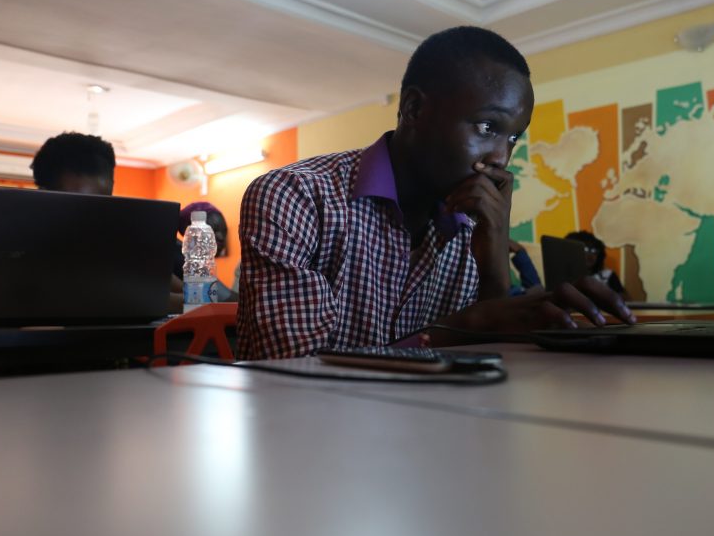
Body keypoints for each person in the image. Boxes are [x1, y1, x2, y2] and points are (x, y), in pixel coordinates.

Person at [238, 26, 634, 360]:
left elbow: (489, 366)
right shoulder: (296, 197)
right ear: (412, 109)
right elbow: (289, 373)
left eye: (513, 137)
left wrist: (495, 249)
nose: (501, 157)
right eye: (486, 127)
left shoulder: (468, 225)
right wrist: (460, 329)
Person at [0, 132, 182, 320]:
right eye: (73, 203)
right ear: (44, 193)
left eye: (101, 204)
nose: (87, 217)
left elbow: (191, 299)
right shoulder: (1, 232)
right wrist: (25, 301)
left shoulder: (120, 240)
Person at [175, 201, 239, 302]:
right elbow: (229, 300)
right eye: (215, 229)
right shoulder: (180, 257)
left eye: (224, 230)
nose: (221, 237)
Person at [565, 230, 626, 297]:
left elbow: (622, 300)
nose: (590, 254)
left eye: (594, 251)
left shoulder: (607, 275)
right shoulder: (563, 276)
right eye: (585, 249)